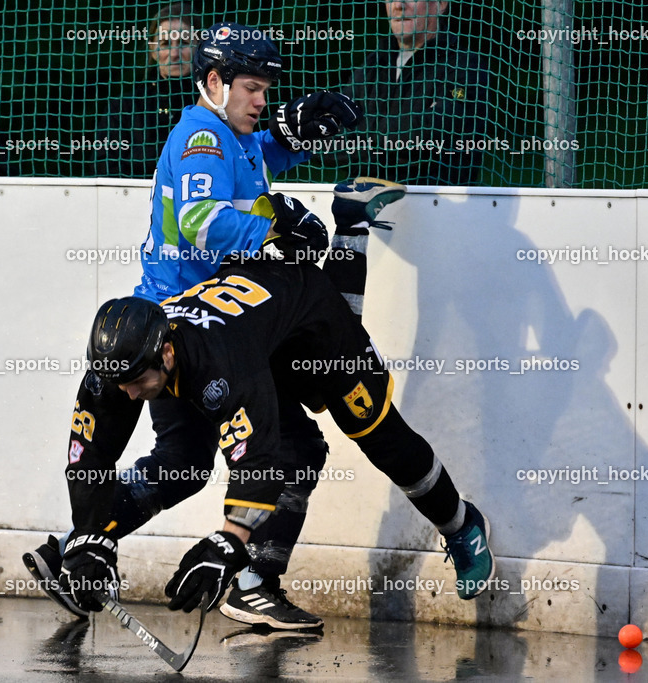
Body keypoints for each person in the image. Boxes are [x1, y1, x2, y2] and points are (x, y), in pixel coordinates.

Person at [23, 22, 367, 630]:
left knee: (184, 458)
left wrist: (291, 139)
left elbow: (250, 163)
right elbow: (201, 220)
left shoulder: (225, 133)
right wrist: (275, 227)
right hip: (187, 331)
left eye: (266, 90)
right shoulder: (203, 138)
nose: (261, 101)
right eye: (252, 89)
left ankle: (77, 550)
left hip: (201, 322)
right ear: (214, 82)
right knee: (289, 450)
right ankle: (251, 582)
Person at [69, 216, 496, 618]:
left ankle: (462, 525)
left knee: (380, 436)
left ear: (165, 353)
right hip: (258, 332)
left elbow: (257, 461)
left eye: (136, 382)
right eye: (117, 383)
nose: (128, 394)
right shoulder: (117, 368)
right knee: (255, 457)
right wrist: (90, 535)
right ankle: (254, 585)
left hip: (314, 326)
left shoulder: (220, 365)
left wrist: (228, 542)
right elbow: (88, 457)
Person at [339, 0, 491, 185]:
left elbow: (429, 136)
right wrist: (390, 143)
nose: (398, 5)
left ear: (441, 4)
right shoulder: (373, 64)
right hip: (364, 201)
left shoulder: (464, 66)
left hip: (435, 200)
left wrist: (362, 135)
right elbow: (329, 141)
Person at [92, 3, 197, 177]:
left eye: (183, 43)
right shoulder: (124, 107)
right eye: (165, 43)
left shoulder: (212, 105)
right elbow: (104, 165)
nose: (174, 53)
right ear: (153, 50)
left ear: (198, 47)